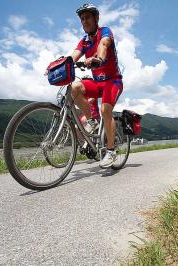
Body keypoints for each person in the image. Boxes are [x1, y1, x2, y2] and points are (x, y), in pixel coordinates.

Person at [71, 3, 123, 168]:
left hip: (113, 81)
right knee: (74, 87)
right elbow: (73, 55)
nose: (84, 21)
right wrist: (59, 65)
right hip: (98, 83)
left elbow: (104, 44)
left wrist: (99, 59)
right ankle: (92, 121)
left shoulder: (104, 31)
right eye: (82, 19)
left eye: (87, 17)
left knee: (105, 110)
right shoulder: (84, 41)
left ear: (96, 18)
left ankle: (111, 151)